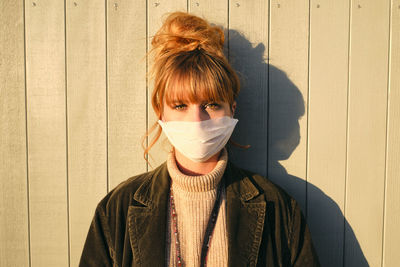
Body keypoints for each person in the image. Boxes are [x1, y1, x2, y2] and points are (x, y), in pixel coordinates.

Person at [79, 11, 320, 267]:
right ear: (160, 111)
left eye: (212, 105)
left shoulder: (277, 208)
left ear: (232, 109)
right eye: (181, 105)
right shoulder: (119, 209)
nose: (197, 120)